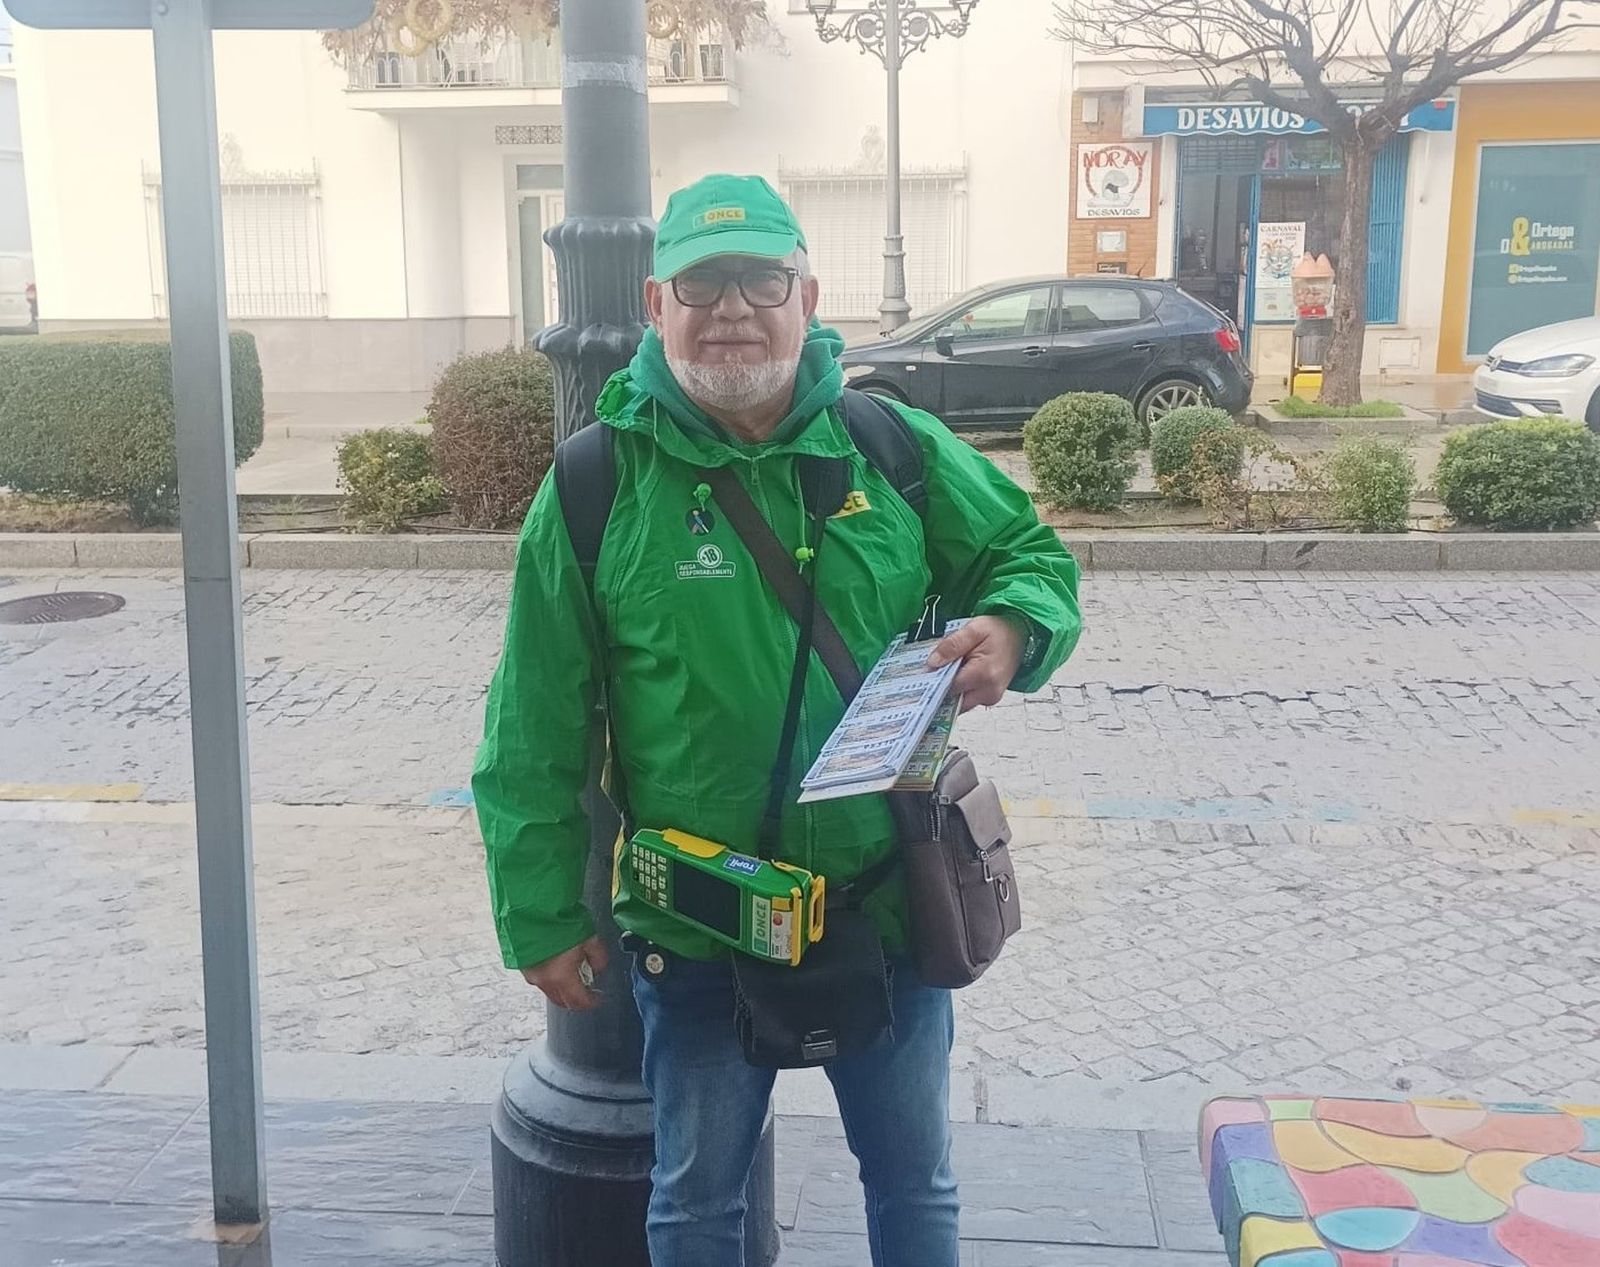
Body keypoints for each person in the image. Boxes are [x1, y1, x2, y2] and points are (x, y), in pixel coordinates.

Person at [474, 174, 1082, 1267]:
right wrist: (539, 917)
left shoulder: (885, 445)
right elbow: (530, 729)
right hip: (700, 922)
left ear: (809, 293)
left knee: (913, 1185)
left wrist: (1010, 628)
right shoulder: (595, 485)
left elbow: (1025, 554)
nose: (733, 306)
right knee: (696, 1204)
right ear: (656, 304)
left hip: (884, 904)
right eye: (703, 282)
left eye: (761, 277)